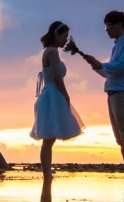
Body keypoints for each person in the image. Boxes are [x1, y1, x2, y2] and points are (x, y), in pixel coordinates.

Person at [82, 10, 124, 186]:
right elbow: (111, 73)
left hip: (123, 94)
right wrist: (96, 66)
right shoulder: (117, 46)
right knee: (120, 139)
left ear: (118, 25)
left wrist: (102, 64)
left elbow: (122, 66)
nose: (106, 29)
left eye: (108, 25)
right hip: (113, 94)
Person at [31, 21, 85, 180]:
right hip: (52, 95)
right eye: (64, 36)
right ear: (56, 34)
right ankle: (47, 174)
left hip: (50, 94)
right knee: (48, 138)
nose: (66, 40)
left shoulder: (50, 51)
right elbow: (56, 77)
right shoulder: (52, 52)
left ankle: (47, 173)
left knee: (49, 138)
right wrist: (66, 96)